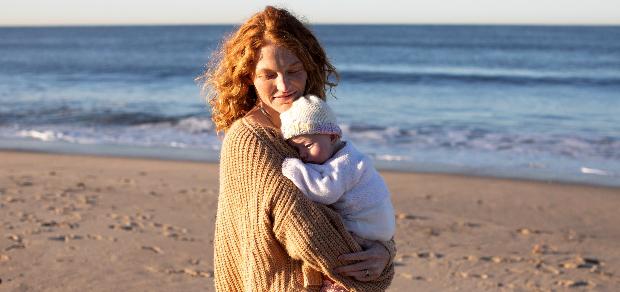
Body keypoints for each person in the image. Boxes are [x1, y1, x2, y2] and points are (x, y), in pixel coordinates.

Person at [201, 6, 395, 291]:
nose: (284, 85)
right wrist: (376, 275)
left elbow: (361, 199)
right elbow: (302, 228)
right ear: (248, 78)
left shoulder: (310, 127)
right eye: (268, 75)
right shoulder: (248, 140)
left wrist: (384, 251)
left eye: (293, 70)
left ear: (309, 68)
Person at [280, 95, 396, 243]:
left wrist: (291, 167)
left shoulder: (348, 162)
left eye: (308, 146)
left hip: (368, 227)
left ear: (332, 137)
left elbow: (325, 192)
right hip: (378, 227)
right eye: (296, 149)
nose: (302, 155)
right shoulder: (337, 155)